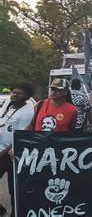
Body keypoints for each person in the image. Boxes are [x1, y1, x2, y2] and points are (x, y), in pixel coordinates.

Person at [0, 83, 35, 216]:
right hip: (1, 151)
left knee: (13, 188)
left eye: (18, 94)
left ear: (27, 97)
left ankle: (16, 213)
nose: (14, 95)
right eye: (13, 92)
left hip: (10, 155)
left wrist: (3, 153)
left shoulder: (27, 112)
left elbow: (19, 137)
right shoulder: (8, 103)